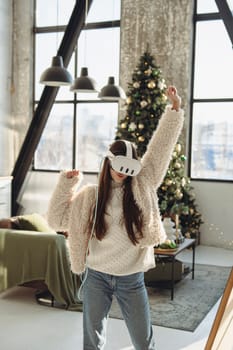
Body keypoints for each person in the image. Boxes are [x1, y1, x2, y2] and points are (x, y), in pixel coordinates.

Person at [47, 85, 184, 350]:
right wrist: (66, 185)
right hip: (96, 275)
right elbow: (57, 220)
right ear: (108, 163)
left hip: (131, 279)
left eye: (128, 165)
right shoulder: (91, 196)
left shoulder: (142, 186)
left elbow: (159, 150)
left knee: (143, 342)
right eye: (118, 164)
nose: (122, 171)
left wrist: (174, 109)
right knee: (92, 342)